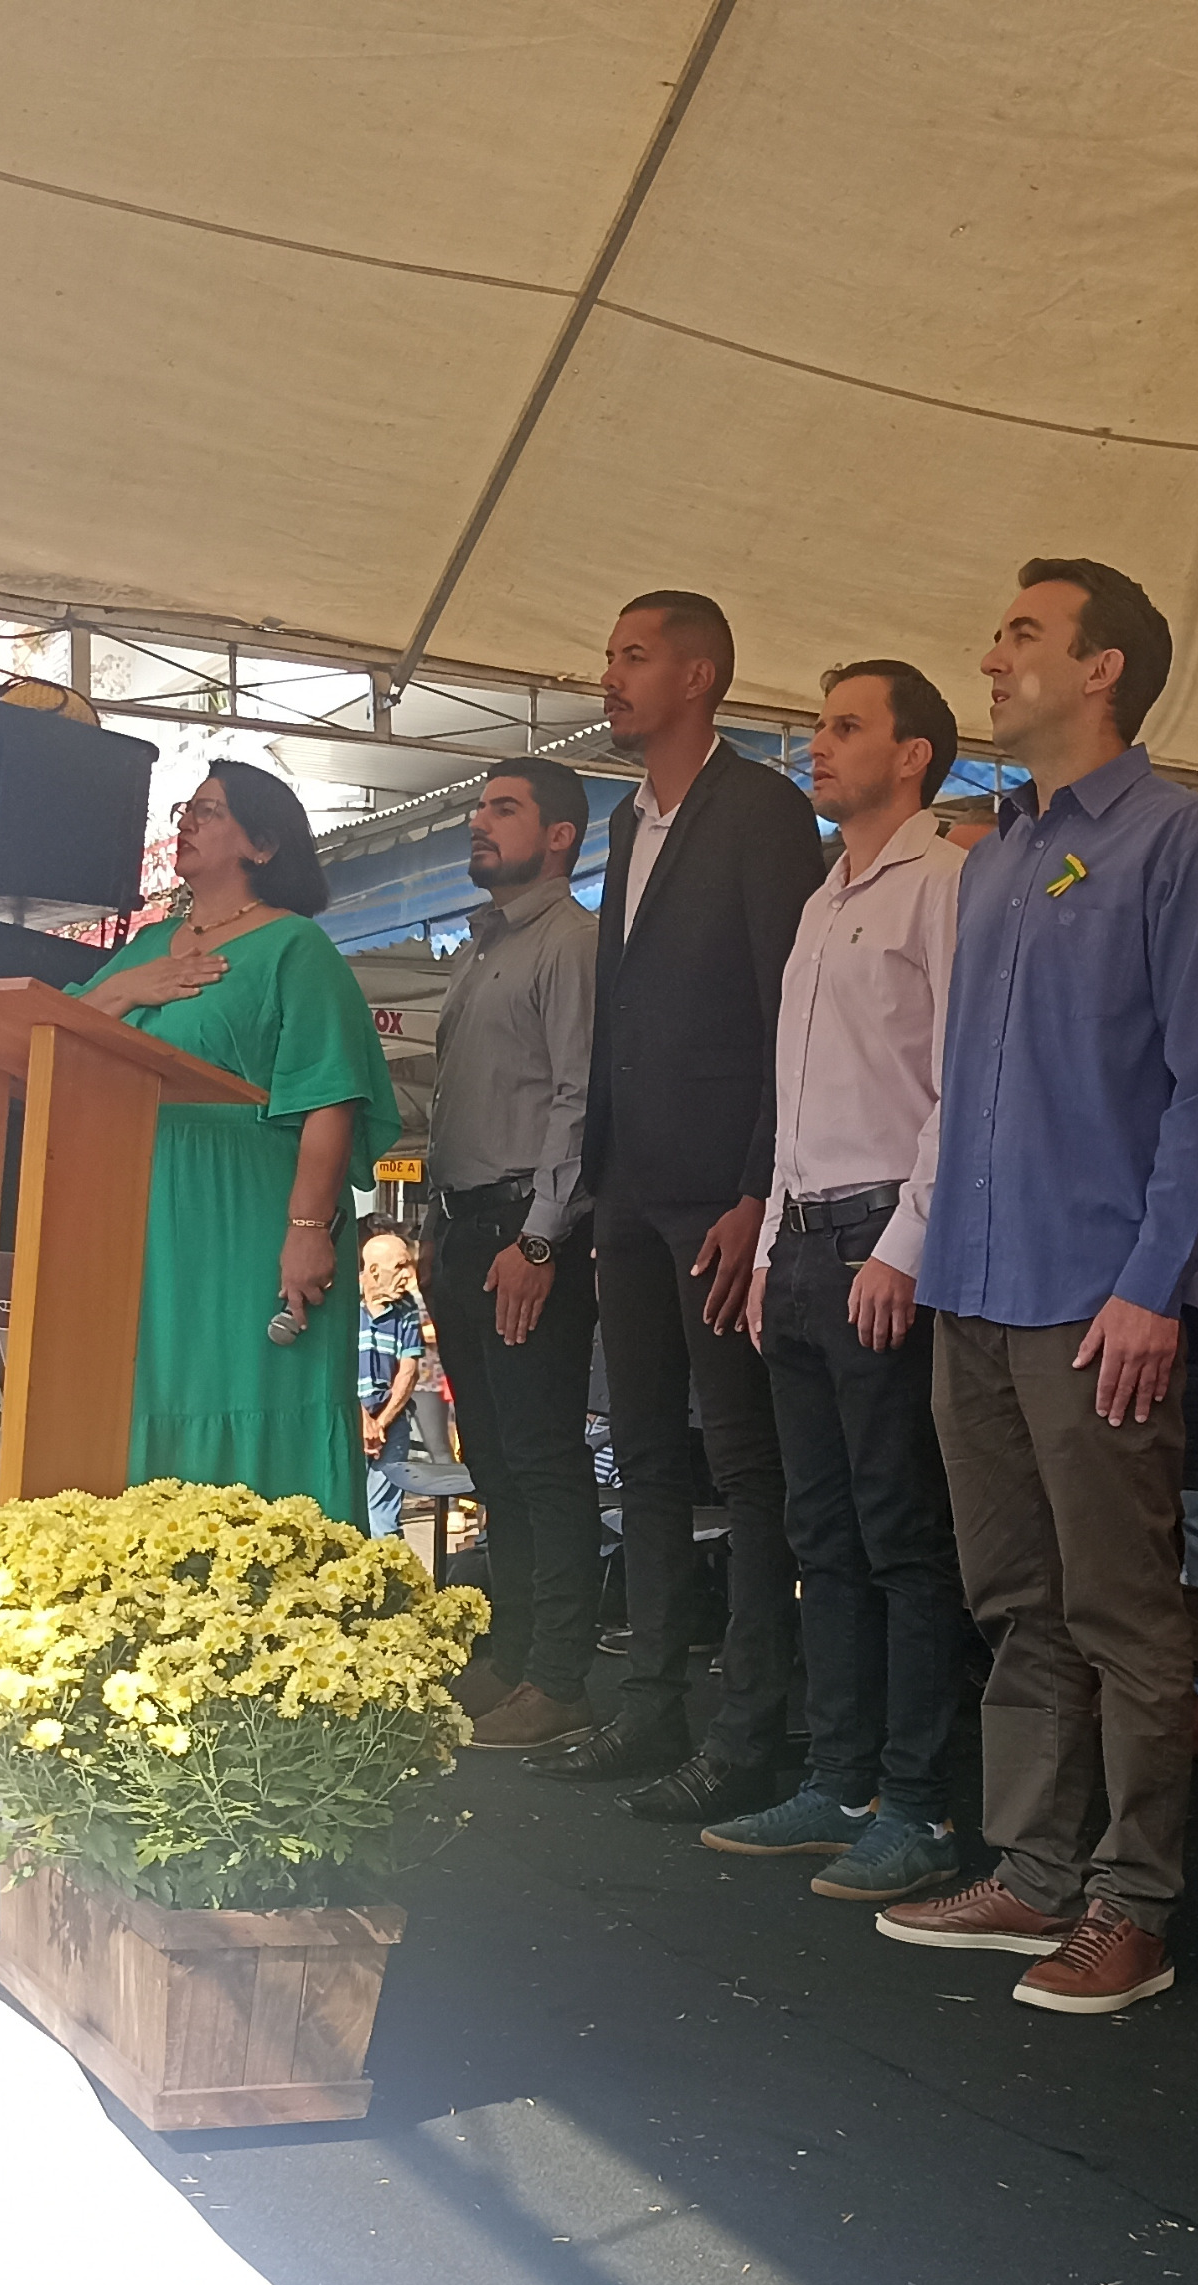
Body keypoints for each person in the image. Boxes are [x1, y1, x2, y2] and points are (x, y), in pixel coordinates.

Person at [872, 558, 1198, 2016]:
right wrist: (927, 1255)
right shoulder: (997, 857)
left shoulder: (1180, 842)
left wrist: (1155, 1286)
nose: (991, 655)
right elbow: (961, 1089)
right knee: (1016, 1598)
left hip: (1096, 1299)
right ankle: (1033, 1871)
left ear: (1103, 669)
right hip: (976, 1287)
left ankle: (1132, 1902)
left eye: (1022, 633)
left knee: (1121, 1611)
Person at [532, 591, 827, 1820]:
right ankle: (649, 1703)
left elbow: (784, 1009)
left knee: (746, 1464)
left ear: (698, 678)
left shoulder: (762, 809)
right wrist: (595, 1173)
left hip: (717, 1193)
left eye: (634, 657)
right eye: (609, 656)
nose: (609, 677)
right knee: (644, 1453)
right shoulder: (622, 818)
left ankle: (751, 1728)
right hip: (629, 1186)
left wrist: (758, 1187)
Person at [704, 659, 978, 1907]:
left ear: (913, 755)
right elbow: (795, 1101)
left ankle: (917, 1806)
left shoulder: (946, 881)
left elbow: (961, 1085)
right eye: (817, 725)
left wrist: (906, 1243)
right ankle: (839, 1780)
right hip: (807, 1240)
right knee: (821, 1531)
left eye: (845, 726)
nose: (815, 745)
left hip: (880, 1234)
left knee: (900, 1530)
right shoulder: (823, 897)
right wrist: (769, 1249)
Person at [76, 761, 397, 1520]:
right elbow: (59, 1033)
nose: (187, 821)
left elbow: (330, 1095)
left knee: (252, 1391)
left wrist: (308, 1227)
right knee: (152, 1395)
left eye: (210, 811)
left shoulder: (295, 947)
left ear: (262, 844)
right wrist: (125, 987)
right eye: (185, 809)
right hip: (145, 1211)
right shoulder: (150, 946)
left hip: (247, 1210)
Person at [427, 761, 607, 1750]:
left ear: (560, 835)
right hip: (463, 1228)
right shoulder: (479, 946)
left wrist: (540, 1237)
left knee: (540, 1456)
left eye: (503, 809)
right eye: (476, 807)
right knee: (492, 1455)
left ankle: (559, 1676)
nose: (477, 822)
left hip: (524, 1233)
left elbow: (578, 1099)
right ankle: (515, 1651)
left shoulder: (571, 943)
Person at [355, 1221, 429, 1539]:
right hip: (347, 1416)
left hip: (391, 1420)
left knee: (384, 1520)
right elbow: (335, 1368)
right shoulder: (344, 1305)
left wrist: (380, 1423)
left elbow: (408, 1371)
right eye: (399, 1267)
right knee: (339, 1511)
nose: (408, 1276)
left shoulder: (406, 1308)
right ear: (373, 1271)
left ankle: (386, 1568)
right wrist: (362, 1420)